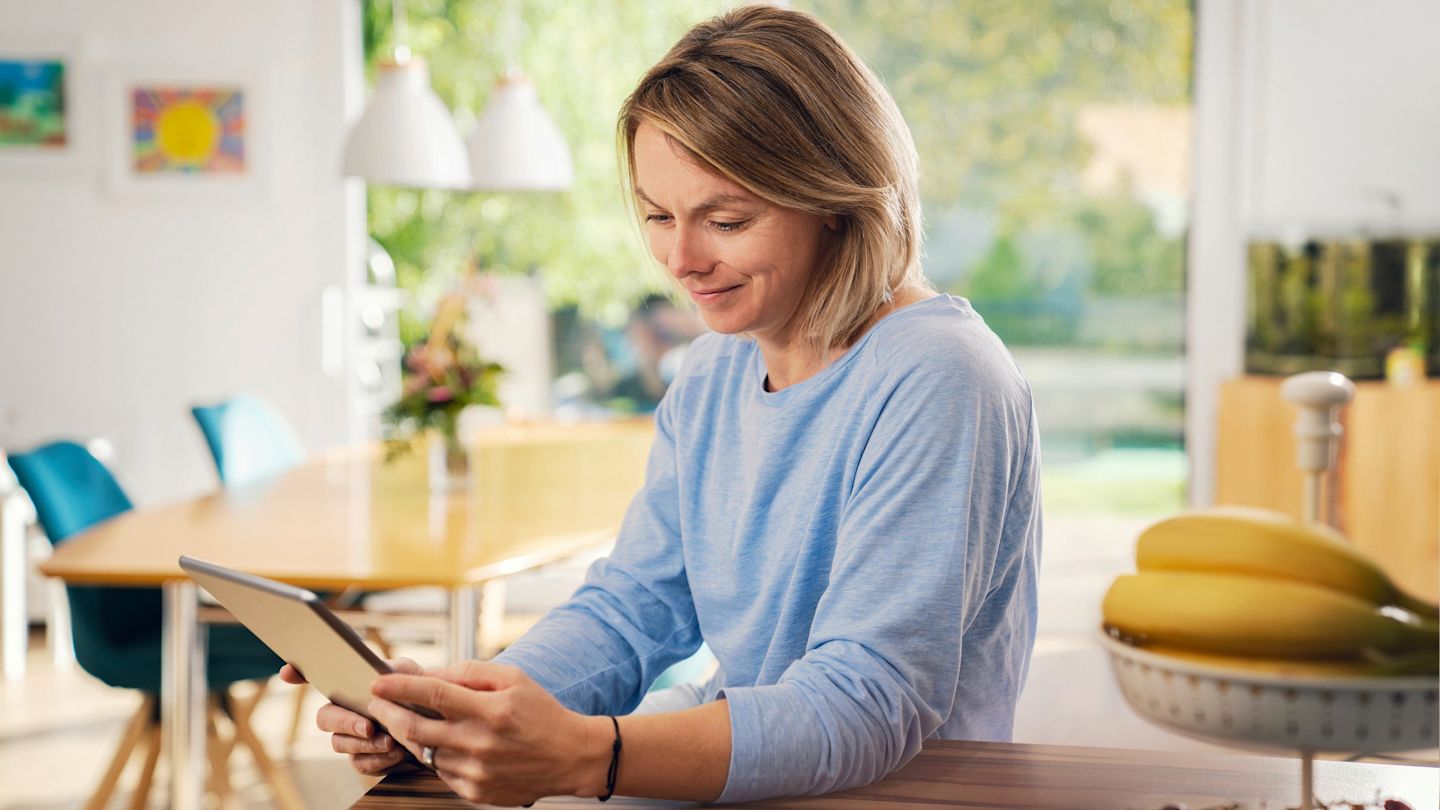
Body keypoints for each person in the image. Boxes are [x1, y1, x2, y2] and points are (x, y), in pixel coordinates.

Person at [282, 5, 1041, 805]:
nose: (682, 260)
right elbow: (634, 609)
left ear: (834, 198)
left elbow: (865, 704)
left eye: (726, 219)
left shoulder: (940, 376)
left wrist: (588, 755)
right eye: (657, 216)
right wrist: (468, 705)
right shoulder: (715, 370)